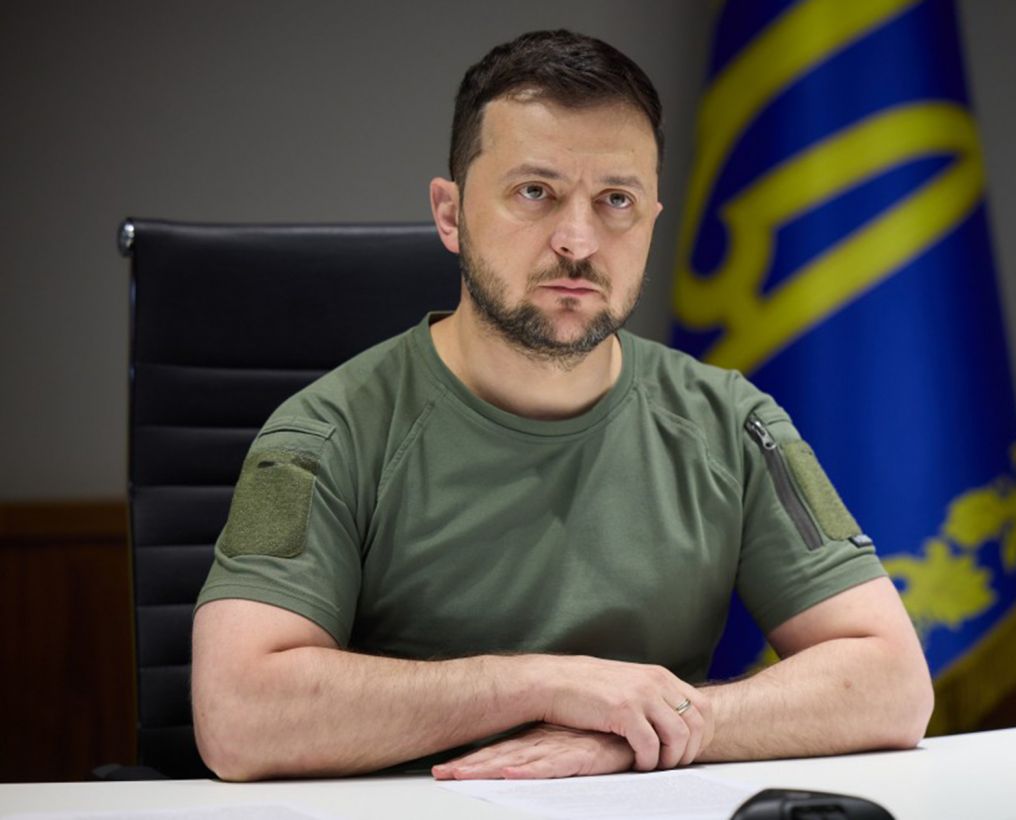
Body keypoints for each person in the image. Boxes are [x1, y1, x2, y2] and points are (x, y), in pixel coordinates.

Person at [191, 29, 933, 782]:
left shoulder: (732, 423)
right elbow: (238, 715)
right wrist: (545, 685)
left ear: (651, 220)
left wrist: (653, 727)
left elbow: (894, 683)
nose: (578, 242)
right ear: (450, 214)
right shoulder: (322, 434)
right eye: (534, 192)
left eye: (616, 201)